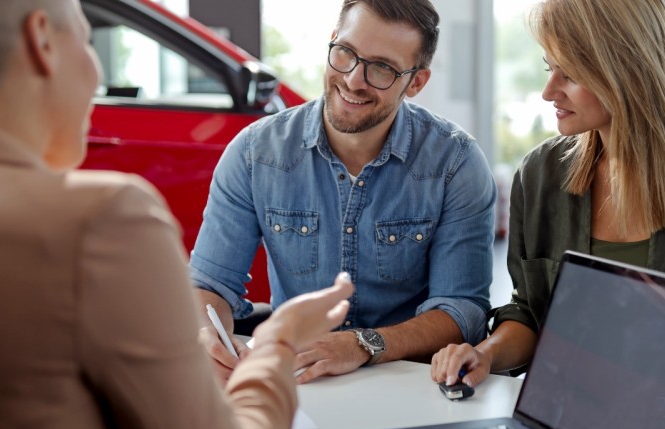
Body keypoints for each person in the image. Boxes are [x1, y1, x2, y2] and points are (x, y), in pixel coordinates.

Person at [0, 0, 355, 429]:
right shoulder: (102, 219)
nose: (96, 76)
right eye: (89, 42)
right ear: (43, 41)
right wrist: (278, 342)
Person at [431, 0, 665, 409]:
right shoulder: (540, 176)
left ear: (626, 68)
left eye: (569, 74)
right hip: (571, 416)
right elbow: (531, 314)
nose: (548, 91)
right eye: (548, 68)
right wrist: (486, 354)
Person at [189, 0, 496, 384]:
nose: (353, 79)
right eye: (346, 53)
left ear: (415, 82)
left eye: (381, 68)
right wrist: (208, 336)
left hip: (408, 383)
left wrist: (363, 345)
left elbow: (462, 310)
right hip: (298, 381)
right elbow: (209, 285)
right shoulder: (255, 154)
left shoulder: (455, 163)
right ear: (332, 42)